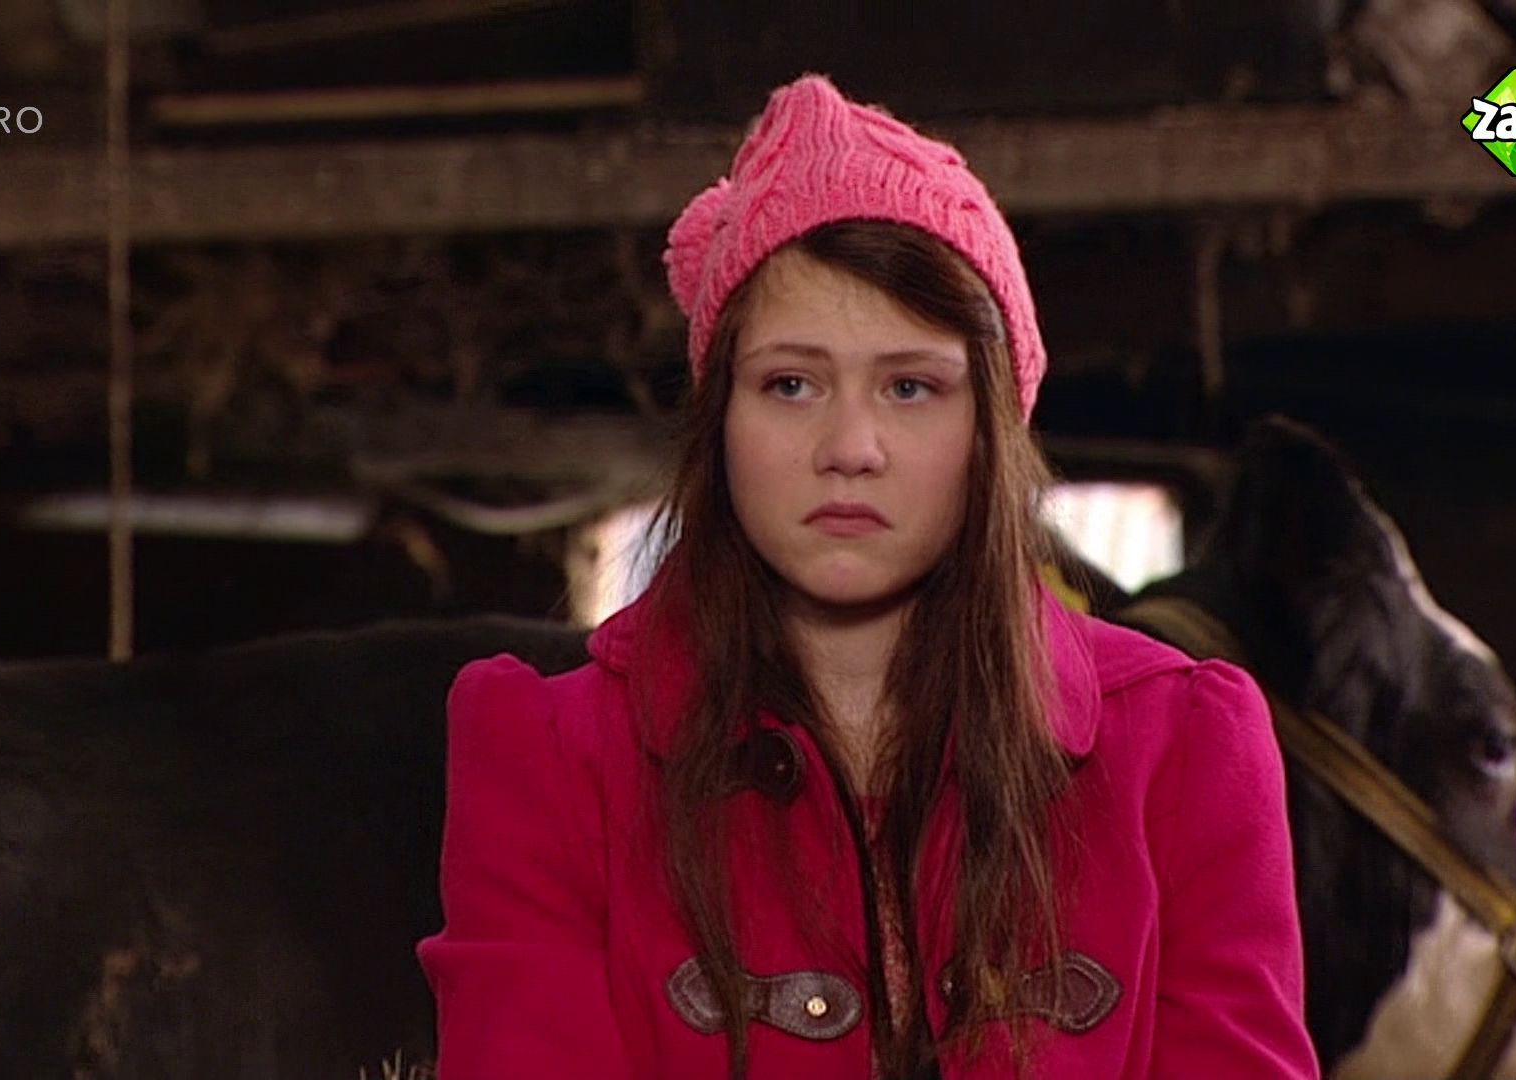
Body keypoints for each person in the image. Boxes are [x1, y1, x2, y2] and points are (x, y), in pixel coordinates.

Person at [417, 74, 1317, 1080]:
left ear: (990, 429)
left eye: (911, 386)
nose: (850, 447)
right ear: (719, 421)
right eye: (791, 384)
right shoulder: (551, 755)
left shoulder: (1183, 748)